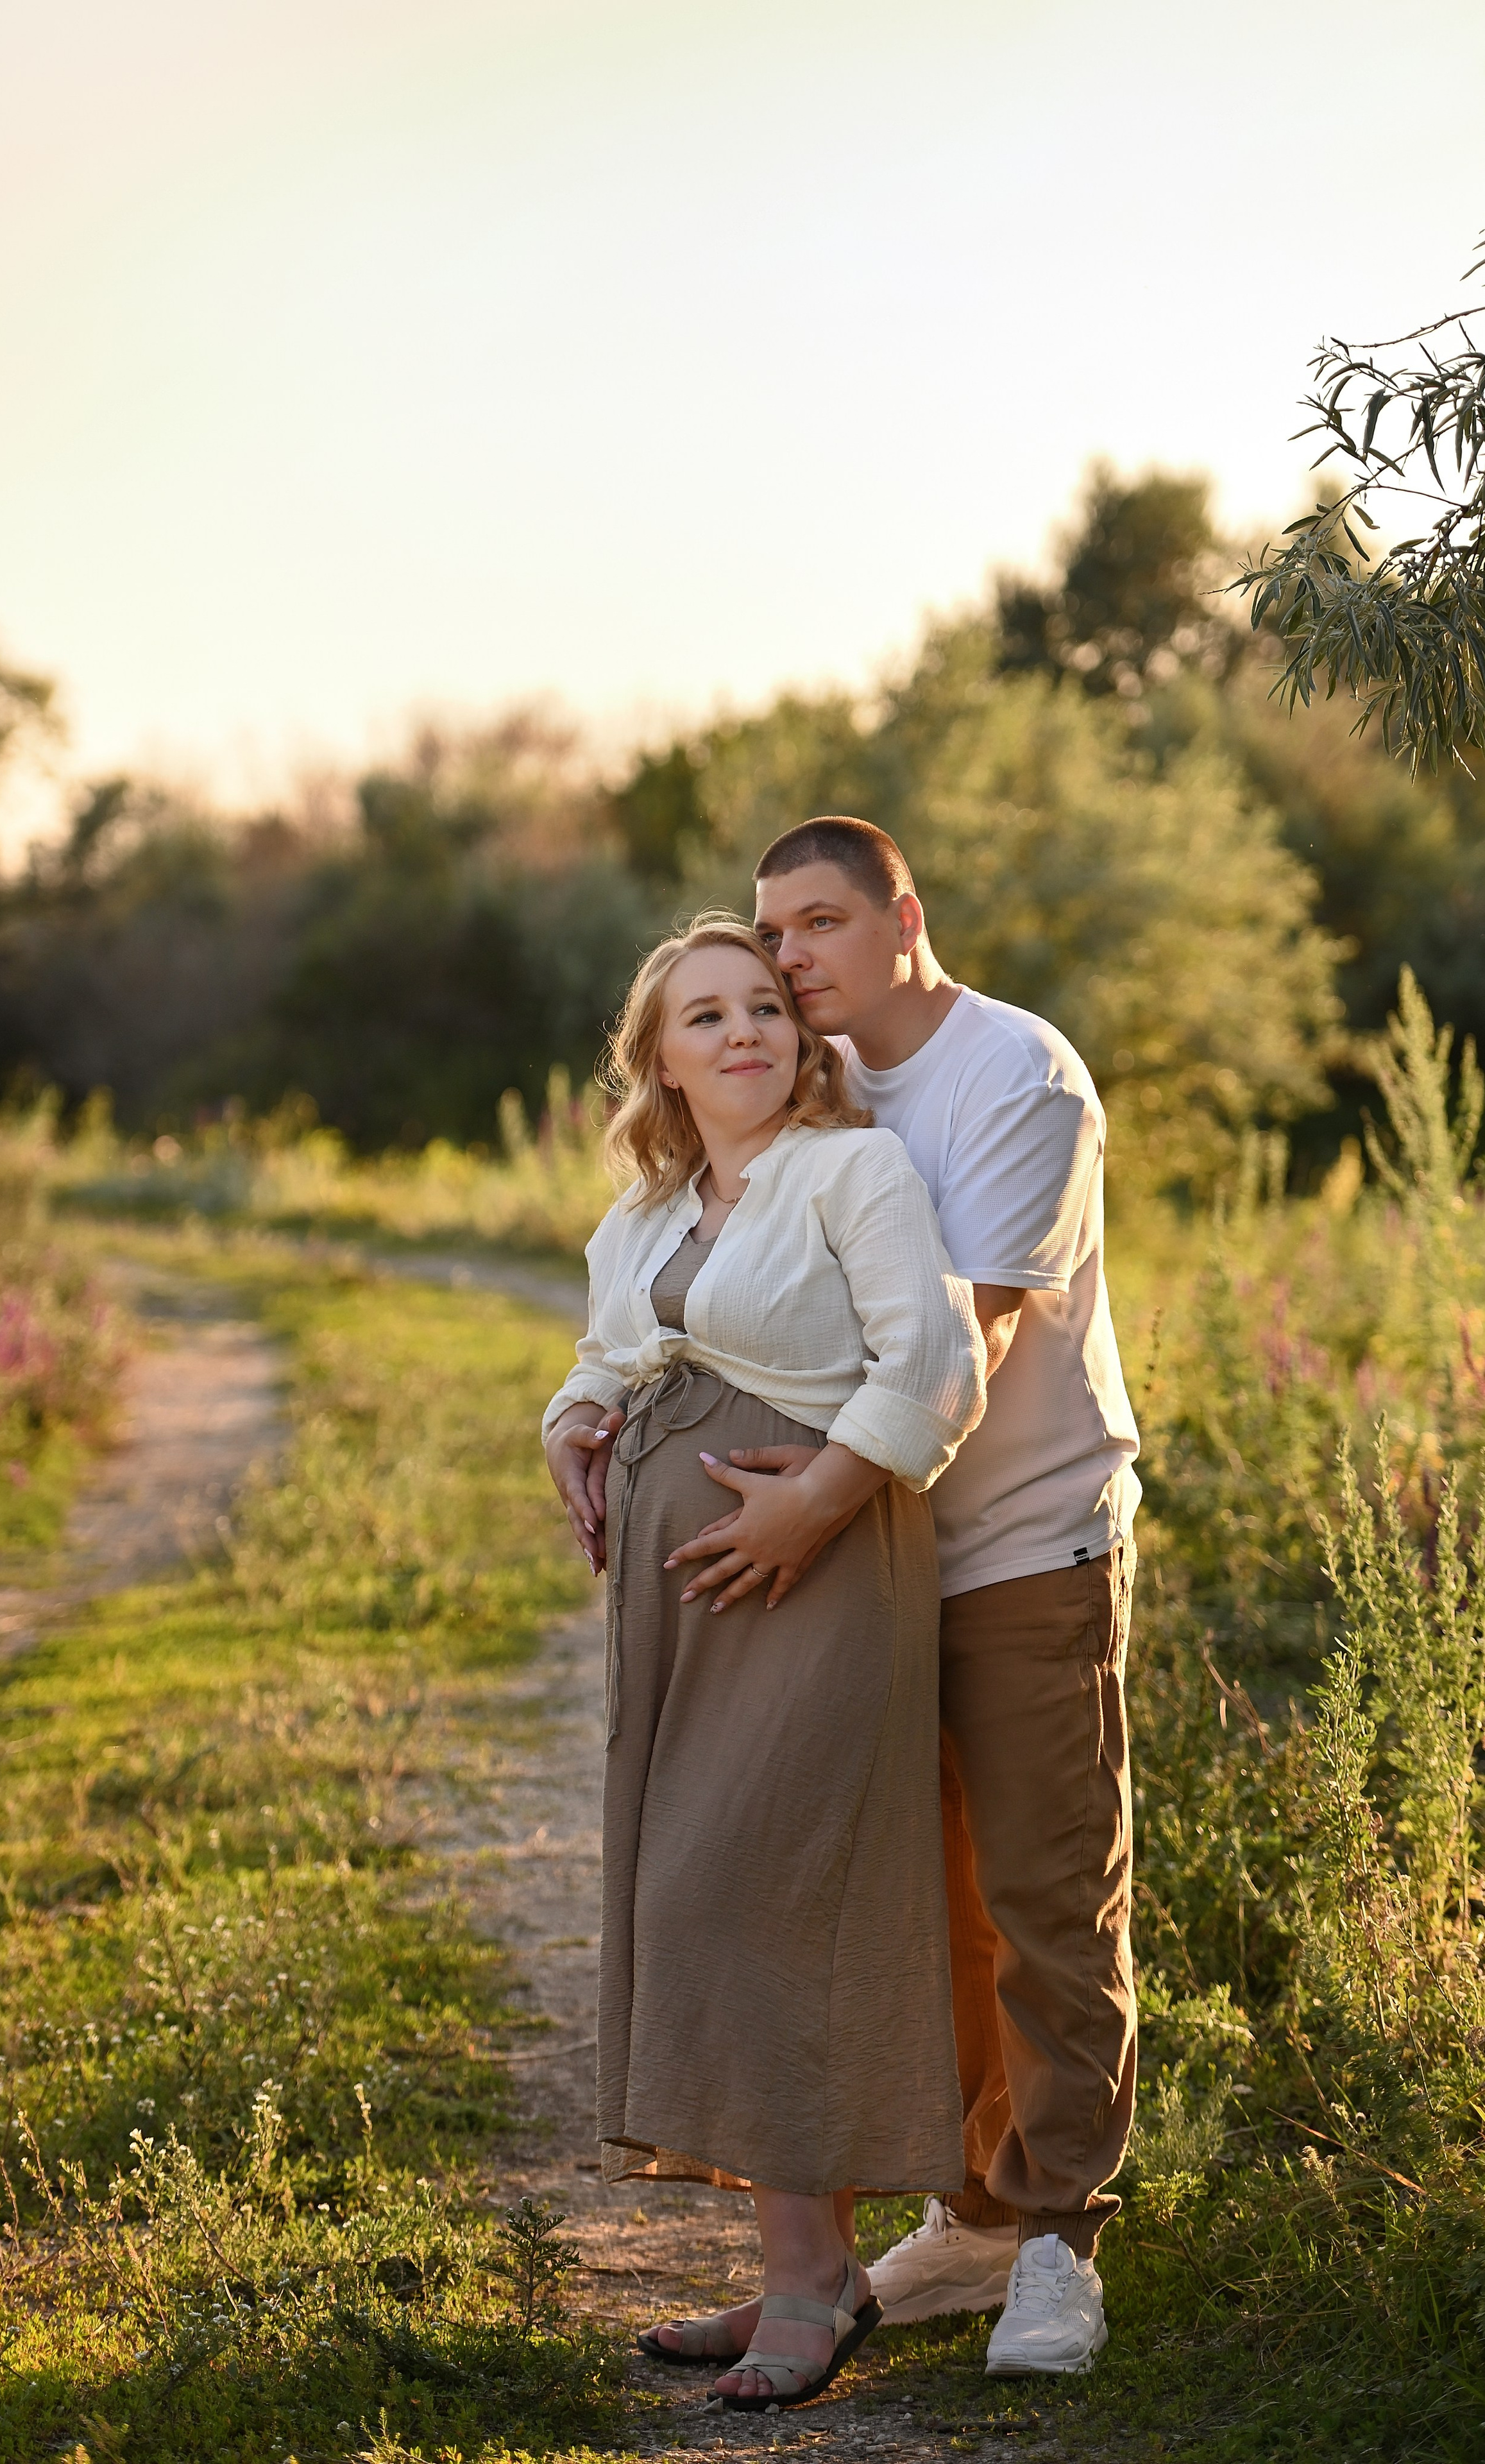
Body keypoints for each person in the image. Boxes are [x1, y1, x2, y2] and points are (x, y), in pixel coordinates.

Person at [655, 817, 1140, 2379]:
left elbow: (967, 1339)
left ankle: (1059, 2243)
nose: (788, 958)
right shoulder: (813, 1083)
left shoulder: (1016, 1077)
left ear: (902, 917)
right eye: (770, 933)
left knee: (1043, 1902)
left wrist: (806, 1502)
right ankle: (968, 2218)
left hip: (1014, 1545)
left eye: (817, 924)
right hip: (868, 1569)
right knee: (904, 1911)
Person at [542, 914, 985, 2411]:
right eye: (705, 1016)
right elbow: (608, 1355)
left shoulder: (851, 1172)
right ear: (659, 1061)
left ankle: (809, 2284)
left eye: (762, 1009)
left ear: (797, 1043)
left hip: (823, 1573)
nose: (742, 1032)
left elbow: (934, 1366)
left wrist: (814, 1504)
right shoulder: (648, 1212)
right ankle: (809, 2268)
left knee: (765, 1894)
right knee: (707, 1897)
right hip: (686, 1607)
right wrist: (569, 1423)